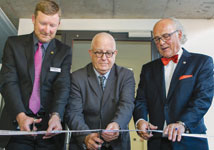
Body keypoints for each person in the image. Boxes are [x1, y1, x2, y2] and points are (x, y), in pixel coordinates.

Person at [0, 0, 72, 150]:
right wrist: (20, 115)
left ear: (59, 24)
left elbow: (62, 86)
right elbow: (8, 81)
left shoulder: (64, 51)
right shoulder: (14, 44)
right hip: (17, 126)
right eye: (43, 23)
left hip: (49, 130)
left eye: (52, 25)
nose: (47, 30)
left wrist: (56, 116)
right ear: (33, 19)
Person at [133, 18, 214, 150]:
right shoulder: (148, 69)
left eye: (166, 36)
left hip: (190, 140)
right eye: (157, 39)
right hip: (157, 142)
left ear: (179, 34)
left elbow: (202, 99)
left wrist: (183, 123)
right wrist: (140, 121)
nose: (161, 42)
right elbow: (141, 100)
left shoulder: (202, 62)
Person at [65, 32, 135, 150]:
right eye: (98, 52)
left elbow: (127, 104)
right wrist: (86, 136)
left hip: (117, 145)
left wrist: (117, 124)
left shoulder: (126, 76)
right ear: (90, 53)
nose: (104, 58)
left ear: (115, 54)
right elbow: (73, 112)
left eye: (108, 53)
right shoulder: (76, 78)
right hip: (83, 144)